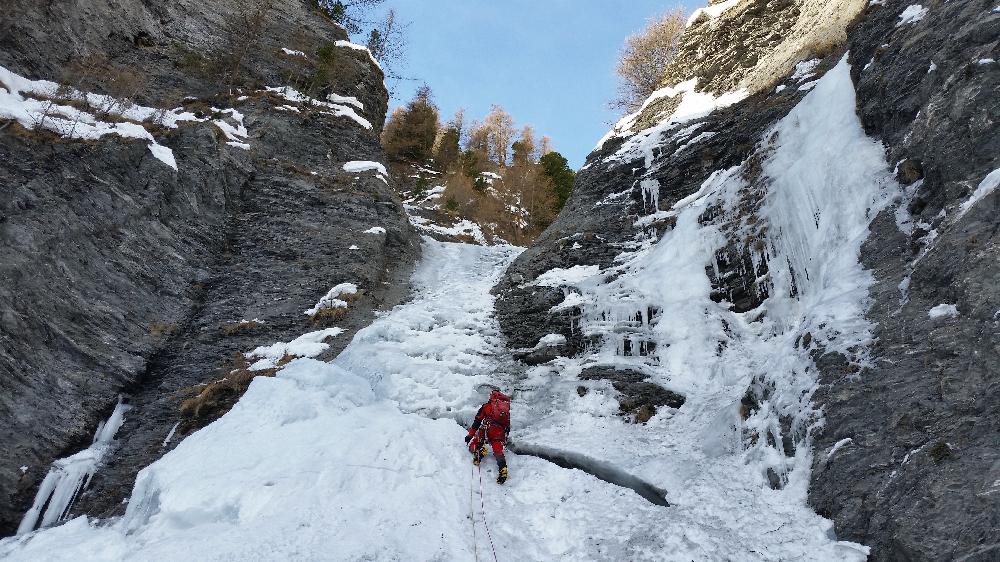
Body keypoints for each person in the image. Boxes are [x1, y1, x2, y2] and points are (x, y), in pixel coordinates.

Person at [465, 389, 511, 484]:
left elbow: (477, 421)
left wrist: (470, 435)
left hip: (486, 430)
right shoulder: (505, 410)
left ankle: (479, 451)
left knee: (473, 444)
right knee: (498, 450)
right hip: (499, 432)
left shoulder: (486, 406)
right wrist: (504, 439)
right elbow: (507, 426)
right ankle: (503, 468)